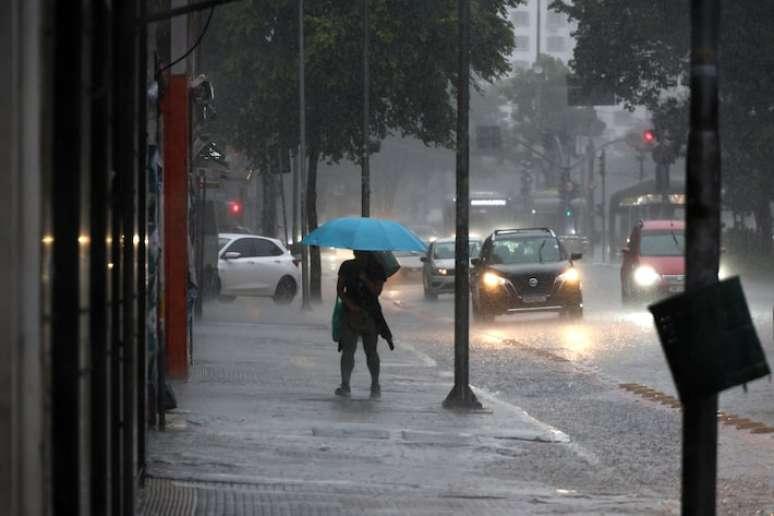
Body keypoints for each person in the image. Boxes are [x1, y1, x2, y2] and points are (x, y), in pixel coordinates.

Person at [335, 250, 390, 399]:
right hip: (350, 314)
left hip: (370, 315)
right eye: (357, 251)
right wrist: (350, 305)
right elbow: (340, 289)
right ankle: (345, 385)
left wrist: (365, 279)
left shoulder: (377, 268)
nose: (359, 254)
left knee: (371, 351)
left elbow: (377, 291)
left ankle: (375, 385)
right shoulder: (347, 266)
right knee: (348, 350)